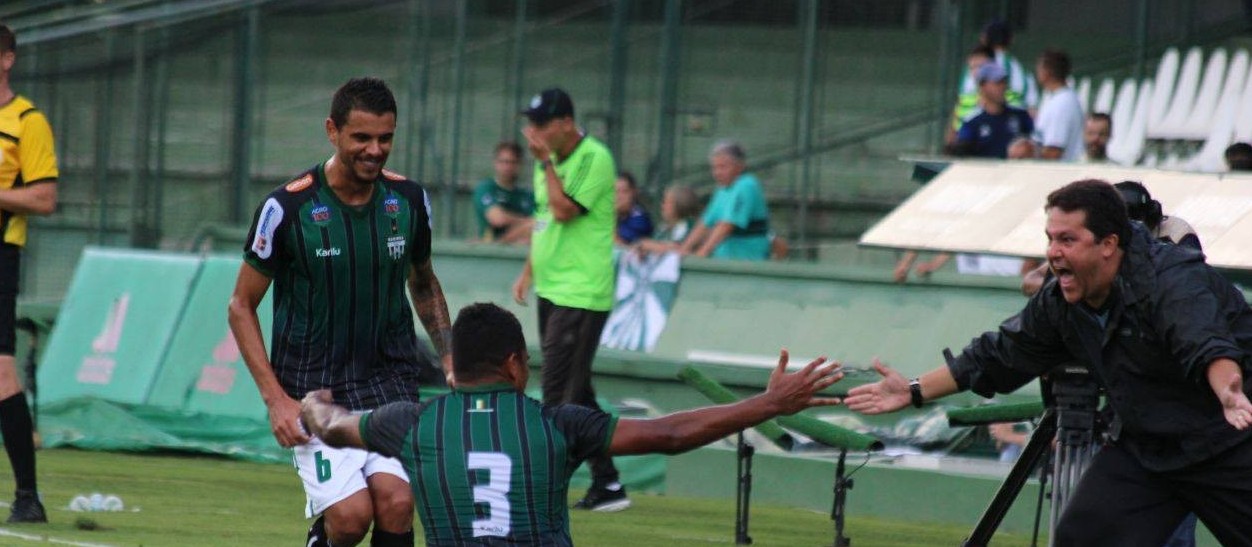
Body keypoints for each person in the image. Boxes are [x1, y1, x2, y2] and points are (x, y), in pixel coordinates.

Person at [847, 179, 1252, 546]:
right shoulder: (1060, 303)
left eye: (1067, 240)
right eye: (1050, 239)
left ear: (1108, 244)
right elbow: (996, 355)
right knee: (1081, 538)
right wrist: (914, 389)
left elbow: (1207, 345)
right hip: (1148, 448)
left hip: (1230, 438)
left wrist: (1228, 390)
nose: (1053, 253)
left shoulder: (1172, 280)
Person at [300, 302, 843, 546]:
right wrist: (768, 404)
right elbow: (673, 434)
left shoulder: (410, 423)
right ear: (514, 363)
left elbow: (334, 426)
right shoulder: (559, 423)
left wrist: (310, 405)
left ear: (456, 366)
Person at [228, 77, 454, 547]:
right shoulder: (287, 207)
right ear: (332, 131)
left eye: (386, 138)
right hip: (314, 389)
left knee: (396, 503)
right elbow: (241, 306)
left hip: (389, 382)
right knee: (351, 519)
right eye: (362, 138)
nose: (375, 150)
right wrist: (275, 399)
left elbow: (424, 282)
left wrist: (450, 358)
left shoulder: (409, 201)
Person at [509, 87, 628, 511]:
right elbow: (544, 220)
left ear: (565, 124)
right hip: (554, 287)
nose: (533, 132)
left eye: (541, 124)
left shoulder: (594, 157)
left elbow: (563, 211)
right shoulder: (551, 163)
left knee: (559, 394)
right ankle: (608, 483)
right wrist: (529, 270)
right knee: (579, 391)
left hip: (582, 291)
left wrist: (544, 163)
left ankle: (543, 489)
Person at [0, 23, 57, 524]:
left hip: (0, 254)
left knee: (0, 373)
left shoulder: (26, 121)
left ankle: (27, 496)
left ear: (7, 59)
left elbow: (44, 197)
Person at [1021, 179, 1200, 297]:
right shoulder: (1098, 239)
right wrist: (1073, 286)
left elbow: (1193, 286)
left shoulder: (1177, 233)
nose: (1133, 232)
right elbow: (1030, 282)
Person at [679, 140, 772, 260]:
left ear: (740, 167)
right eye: (714, 168)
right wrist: (683, 250)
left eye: (723, 167)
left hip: (748, 263)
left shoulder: (747, 185)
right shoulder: (722, 189)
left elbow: (727, 226)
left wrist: (701, 254)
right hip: (725, 260)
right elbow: (704, 223)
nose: (717, 173)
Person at [947, 62, 1035, 159]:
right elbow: (960, 156)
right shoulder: (972, 123)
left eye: (1004, 81)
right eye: (997, 82)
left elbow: (1038, 142)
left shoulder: (1020, 115)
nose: (1003, 86)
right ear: (982, 86)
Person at [473, 141, 534, 244]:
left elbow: (541, 225)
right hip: (491, 250)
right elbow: (497, 219)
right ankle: (502, 241)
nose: (507, 167)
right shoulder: (486, 188)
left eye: (512, 162)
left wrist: (530, 224)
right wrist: (526, 221)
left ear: (520, 165)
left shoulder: (527, 195)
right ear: (495, 163)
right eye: (503, 162)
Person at [1032, 49, 1085, 161]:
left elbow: (1053, 151)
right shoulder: (1059, 99)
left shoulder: (1062, 104)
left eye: (1039, 68)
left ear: (1046, 72)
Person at [634, 185, 700, 255]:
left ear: (679, 204)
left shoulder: (690, 226)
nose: (662, 206)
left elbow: (679, 249)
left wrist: (648, 245)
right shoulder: (663, 228)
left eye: (665, 202)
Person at [613, 171, 653, 245]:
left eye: (624, 192)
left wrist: (612, 215)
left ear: (634, 193)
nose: (619, 196)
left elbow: (621, 244)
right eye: (616, 191)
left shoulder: (640, 219)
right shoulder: (617, 215)